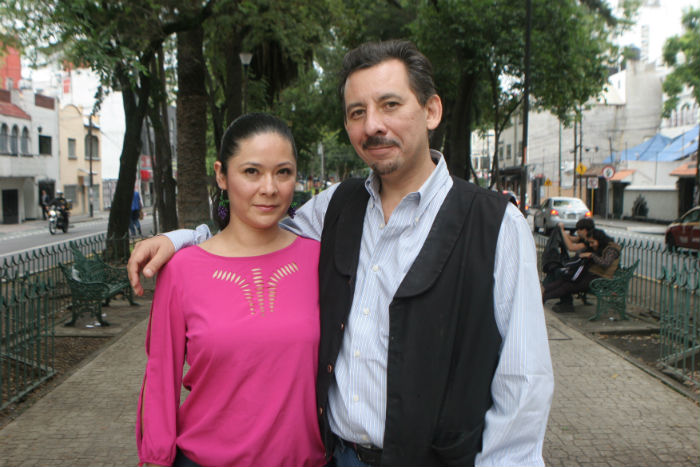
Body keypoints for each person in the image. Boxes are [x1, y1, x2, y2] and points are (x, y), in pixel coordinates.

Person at [129, 40, 553, 466]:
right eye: (357, 113)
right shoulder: (336, 207)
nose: (373, 126)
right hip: (336, 457)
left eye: (390, 104)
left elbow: (523, 382)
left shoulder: (496, 225)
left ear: (431, 111)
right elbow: (253, 236)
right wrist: (183, 240)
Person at [136, 113, 326, 467]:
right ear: (222, 175)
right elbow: (161, 378)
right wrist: (157, 457)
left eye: (283, 172)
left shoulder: (320, 261)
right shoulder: (181, 271)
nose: (269, 188)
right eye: (251, 172)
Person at [542, 228, 621, 305]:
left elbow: (605, 263)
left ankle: (543, 297)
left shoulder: (611, 250)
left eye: (592, 242)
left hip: (600, 279)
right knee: (564, 280)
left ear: (600, 240)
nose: (591, 245)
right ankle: (542, 292)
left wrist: (591, 255)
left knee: (568, 286)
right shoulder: (600, 247)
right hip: (591, 274)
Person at [553, 217, 596, 312]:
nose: (577, 232)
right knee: (559, 271)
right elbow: (572, 239)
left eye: (578, 230)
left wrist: (562, 230)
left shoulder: (589, 241)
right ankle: (563, 300)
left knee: (562, 274)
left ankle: (567, 302)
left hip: (585, 272)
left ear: (584, 230)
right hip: (580, 267)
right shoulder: (583, 238)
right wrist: (561, 231)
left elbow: (571, 247)